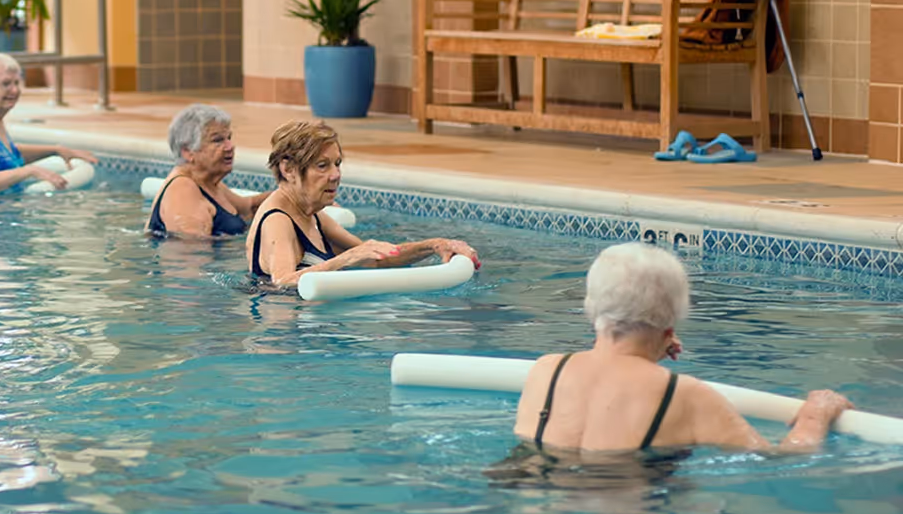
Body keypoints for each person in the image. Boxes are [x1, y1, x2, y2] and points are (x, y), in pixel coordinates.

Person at [514, 242, 852, 454]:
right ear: (671, 322)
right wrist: (815, 413)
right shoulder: (686, 395)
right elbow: (784, 458)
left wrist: (649, 349)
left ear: (591, 305)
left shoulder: (547, 370)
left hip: (534, 506)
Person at [246, 120, 479, 287]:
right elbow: (283, 282)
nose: (336, 175)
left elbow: (376, 259)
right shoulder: (278, 220)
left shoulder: (311, 215)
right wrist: (347, 258)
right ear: (288, 169)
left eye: (337, 164)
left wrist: (436, 245)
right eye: (322, 165)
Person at [0, 53, 98, 194]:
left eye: (17, 83)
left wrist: (56, 150)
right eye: (5, 84)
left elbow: (5, 155)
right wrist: (29, 171)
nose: (14, 90)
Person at [147, 104, 271, 237]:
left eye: (229, 138)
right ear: (188, 152)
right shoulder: (183, 191)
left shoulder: (208, 184)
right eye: (218, 140)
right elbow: (193, 253)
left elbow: (250, 208)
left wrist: (290, 192)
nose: (230, 147)